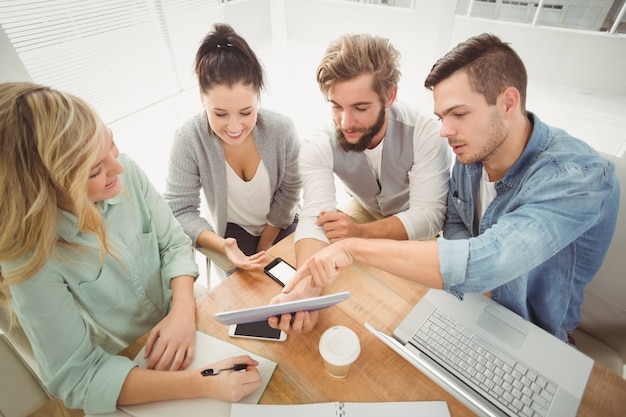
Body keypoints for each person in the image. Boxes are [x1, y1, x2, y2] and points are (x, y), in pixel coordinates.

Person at [281, 33, 620, 344]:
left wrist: (354, 246)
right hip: (469, 304)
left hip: (533, 332)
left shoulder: (579, 176)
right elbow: (454, 222)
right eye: (442, 116)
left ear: (507, 102)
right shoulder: (472, 156)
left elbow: (488, 259)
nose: (444, 131)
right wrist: (309, 285)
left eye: (458, 113)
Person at [0, 82, 261, 414]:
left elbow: (175, 244)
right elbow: (78, 377)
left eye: (111, 145)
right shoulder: (31, 258)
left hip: (187, 309)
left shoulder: (128, 174)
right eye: (95, 170)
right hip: (130, 364)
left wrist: (181, 311)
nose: (118, 167)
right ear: (46, 189)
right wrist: (204, 382)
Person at [268, 32, 451, 334]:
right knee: (351, 296)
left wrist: (360, 235)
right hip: (363, 211)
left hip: (413, 220)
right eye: (336, 106)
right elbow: (315, 216)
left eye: (360, 108)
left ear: (389, 95)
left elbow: (429, 217)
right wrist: (305, 289)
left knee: (409, 306)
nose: (345, 122)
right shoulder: (319, 144)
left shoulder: (425, 131)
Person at [165, 23, 301, 272]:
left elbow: (291, 189)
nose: (235, 126)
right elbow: (179, 210)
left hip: (280, 223)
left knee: (300, 283)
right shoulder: (188, 139)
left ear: (257, 95)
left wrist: (266, 244)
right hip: (232, 236)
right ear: (201, 98)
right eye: (220, 114)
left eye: (246, 112)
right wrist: (221, 245)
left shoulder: (282, 130)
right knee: (249, 299)